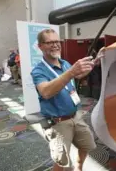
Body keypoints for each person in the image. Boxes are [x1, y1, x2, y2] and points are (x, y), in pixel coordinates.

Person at [30, 28, 105, 171]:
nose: (55, 45)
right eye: (49, 42)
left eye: (57, 41)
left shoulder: (64, 63)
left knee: (87, 145)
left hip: (76, 116)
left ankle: (79, 168)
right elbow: (46, 92)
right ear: (40, 46)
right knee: (61, 161)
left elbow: (78, 75)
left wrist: (95, 62)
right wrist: (70, 72)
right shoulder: (38, 71)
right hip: (58, 123)